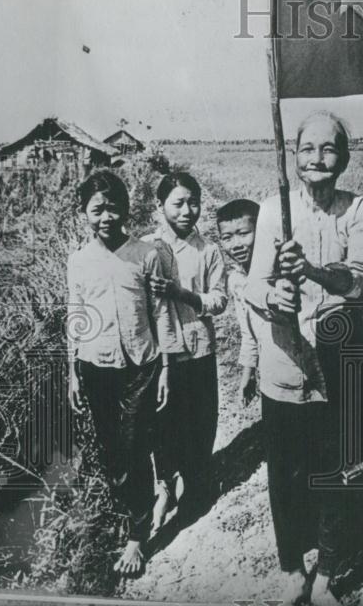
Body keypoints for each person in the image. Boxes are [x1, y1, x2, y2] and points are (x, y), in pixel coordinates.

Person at [242, 111, 363, 606]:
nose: (317, 158)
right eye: (307, 149)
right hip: (285, 361)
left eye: (329, 148)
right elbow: (254, 282)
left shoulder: (359, 208)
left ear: (344, 157)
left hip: (341, 361)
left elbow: (362, 278)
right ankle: (292, 565)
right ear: (293, 157)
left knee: (338, 464)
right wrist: (273, 296)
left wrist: (314, 273)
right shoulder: (272, 210)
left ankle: (332, 569)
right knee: (286, 469)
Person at [66, 170, 177, 575]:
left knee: (132, 446)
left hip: (141, 366)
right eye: (97, 210)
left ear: (126, 209)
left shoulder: (145, 254)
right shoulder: (77, 261)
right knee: (113, 452)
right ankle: (145, 498)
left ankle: (137, 535)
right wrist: (73, 373)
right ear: (84, 213)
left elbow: (161, 314)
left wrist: (165, 366)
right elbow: (76, 317)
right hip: (96, 368)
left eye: (114, 207)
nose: (106, 217)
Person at [143, 172, 228, 525]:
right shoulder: (148, 248)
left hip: (198, 348)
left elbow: (219, 300)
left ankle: (196, 484)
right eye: (177, 203)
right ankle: (165, 483)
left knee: (201, 419)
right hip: (160, 352)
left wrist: (183, 294)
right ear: (160, 206)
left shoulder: (208, 250)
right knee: (163, 422)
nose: (187, 211)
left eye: (193, 202)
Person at [214, 198, 262, 407]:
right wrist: (249, 373)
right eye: (227, 237)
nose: (236, 244)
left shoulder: (285, 272)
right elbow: (249, 332)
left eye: (244, 234)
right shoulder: (236, 280)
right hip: (270, 375)